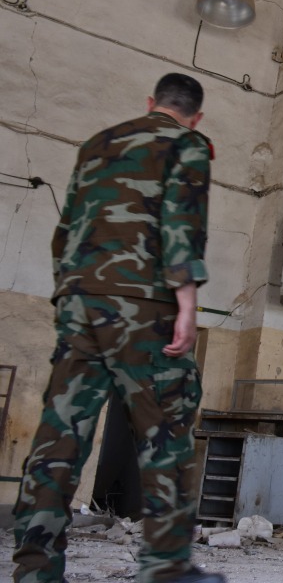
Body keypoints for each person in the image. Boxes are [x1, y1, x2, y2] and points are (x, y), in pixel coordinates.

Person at [11, 73, 224, 583]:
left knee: (59, 439)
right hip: (143, 307)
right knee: (166, 432)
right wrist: (187, 304)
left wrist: (70, 297)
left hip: (79, 304)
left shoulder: (96, 145)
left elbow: (65, 232)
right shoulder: (188, 144)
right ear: (196, 116)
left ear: (151, 102)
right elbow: (182, 222)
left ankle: (35, 570)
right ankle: (166, 567)